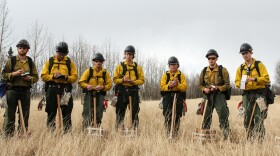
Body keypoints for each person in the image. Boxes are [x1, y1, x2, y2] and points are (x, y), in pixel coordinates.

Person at [1, 39, 38, 137]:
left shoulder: (30, 62)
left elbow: (36, 77)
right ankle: (8, 136)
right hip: (12, 90)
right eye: (20, 47)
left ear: (27, 50)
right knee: (10, 115)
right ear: (17, 49)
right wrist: (14, 74)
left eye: (24, 48)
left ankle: (22, 135)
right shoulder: (11, 60)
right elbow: (3, 75)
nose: (22, 49)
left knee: (24, 116)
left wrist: (29, 78)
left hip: (25, 91)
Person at [235, 43, 270, 141]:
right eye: (243, 53)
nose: (245, 55)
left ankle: (259, 142)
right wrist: (243, 82)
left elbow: (266, 79)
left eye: (246, 53)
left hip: (260, 95)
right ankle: (250, 140)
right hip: (247, 95)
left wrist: (254, 79)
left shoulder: (259, 65)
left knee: (260, 118)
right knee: (247, 118)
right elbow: (237, 83)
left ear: (251, 52)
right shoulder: (241, 68)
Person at [41, 42, 78, 133]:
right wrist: (53, 76)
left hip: (65, 90)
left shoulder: (69, 63)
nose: (61, 56)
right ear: (56, 51)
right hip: (52, 89)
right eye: (60, 54)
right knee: (51, 113)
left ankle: (67, 134)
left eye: (64, 54)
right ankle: (51, 134)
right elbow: (43, 76)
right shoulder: (49, 62)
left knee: (67, 113)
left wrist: (66, 77)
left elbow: (74, 77)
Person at [198, 49, 230, 140]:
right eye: (209, 58)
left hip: (219, 96)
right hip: (207, 96)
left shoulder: (222, 70)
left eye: (213, 58)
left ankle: (226, 138)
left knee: (223, 116)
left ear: (216, 59)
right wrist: (205, 89)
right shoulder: (204, 71)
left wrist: (218, 88)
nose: (211, 60)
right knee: (206, 117)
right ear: (207, 59)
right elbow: (200, 85)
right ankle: (204, 138)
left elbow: (227, 85)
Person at [113, 45, 145, 130]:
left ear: (133, 55)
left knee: (134, 112)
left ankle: (134, 129)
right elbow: (115, 79)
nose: (128, 56)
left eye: (130, 54)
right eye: (127, 54)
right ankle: (119, 129)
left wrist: (134, 82)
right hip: (122, 91)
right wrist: (123, 80)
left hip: (134, 91)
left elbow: (142, 80)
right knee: (120, 112)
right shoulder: (119, 67)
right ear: (124, 54)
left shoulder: (138, 67)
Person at [78, 53, 112, 130]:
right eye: (97, 61)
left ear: (102, 62)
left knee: (99, 114)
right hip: (89, 95)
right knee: (87, 114)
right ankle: (85, 131)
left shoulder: (105, 73)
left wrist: (102, 87)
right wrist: (87, 86)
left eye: (100, 61)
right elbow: (81, 82)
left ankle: (97, 129)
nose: (98, 63)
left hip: (100, 95)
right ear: (94, 62)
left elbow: (109, 85)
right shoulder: (88, 71)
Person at [160, 56, 187, 136]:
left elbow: (184, 87)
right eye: (171, 65)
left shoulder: (181, 75)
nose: (172, 66)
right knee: (167, 114)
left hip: (178, 96)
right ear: (169, 65)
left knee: (177, 115)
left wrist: (177, 84)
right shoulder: (165, 75)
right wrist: (169, 86)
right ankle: (168, 132)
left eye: (174, 64)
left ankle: (175, 132)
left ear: (177, 65)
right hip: (167, 97)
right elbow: (162, 86)